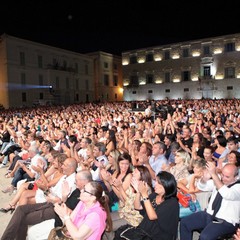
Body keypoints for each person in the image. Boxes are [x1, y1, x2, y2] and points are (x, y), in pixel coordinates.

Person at [1, 169, 93, 240]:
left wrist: (59, 201)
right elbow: (65, 202)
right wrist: (64, 197)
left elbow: (72, 213)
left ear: (84, 181)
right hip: (54, 205)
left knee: (22, 218)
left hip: (57, 213)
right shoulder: (78, 190)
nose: (74, 181)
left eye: (77, 180)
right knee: (21, 209)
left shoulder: (88, 196)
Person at [180, 162, 240, 240]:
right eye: (222, 174)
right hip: (209, 215)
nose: (223, 178)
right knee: (185, 222)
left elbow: (226, 194)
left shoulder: (238, 187)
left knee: (205, 237)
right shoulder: (219, 180)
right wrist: (204, 179)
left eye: (227, 177)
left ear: (236, 177)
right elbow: (201, 186)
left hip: (227, 222)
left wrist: (214, 175)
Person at [114, 171, 179, 240]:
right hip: (144, 231)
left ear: (166, 185)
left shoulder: (172, 202)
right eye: (155, 181)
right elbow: (137, 207)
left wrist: (144, 194)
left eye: (158, 183)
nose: (155, 185)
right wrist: (138, 192)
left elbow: (152, 216)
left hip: (157, 236)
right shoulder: (155, 195)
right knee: (119, 235)